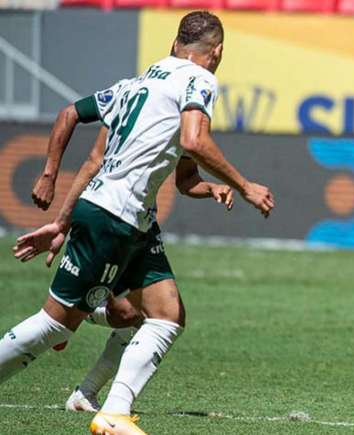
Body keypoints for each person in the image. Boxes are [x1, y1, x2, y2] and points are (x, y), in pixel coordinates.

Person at [2, 11, 274, 434]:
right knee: (55, 323)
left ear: (174, 43)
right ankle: (98, 379)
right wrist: (244, 186)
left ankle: (111, 411)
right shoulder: (199, 81)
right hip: (115, 216)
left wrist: (54, 188)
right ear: (216, 52)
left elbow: (72, 115)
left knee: (166, 314)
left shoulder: (136, 86)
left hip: (129, 219)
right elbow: (193, 140)